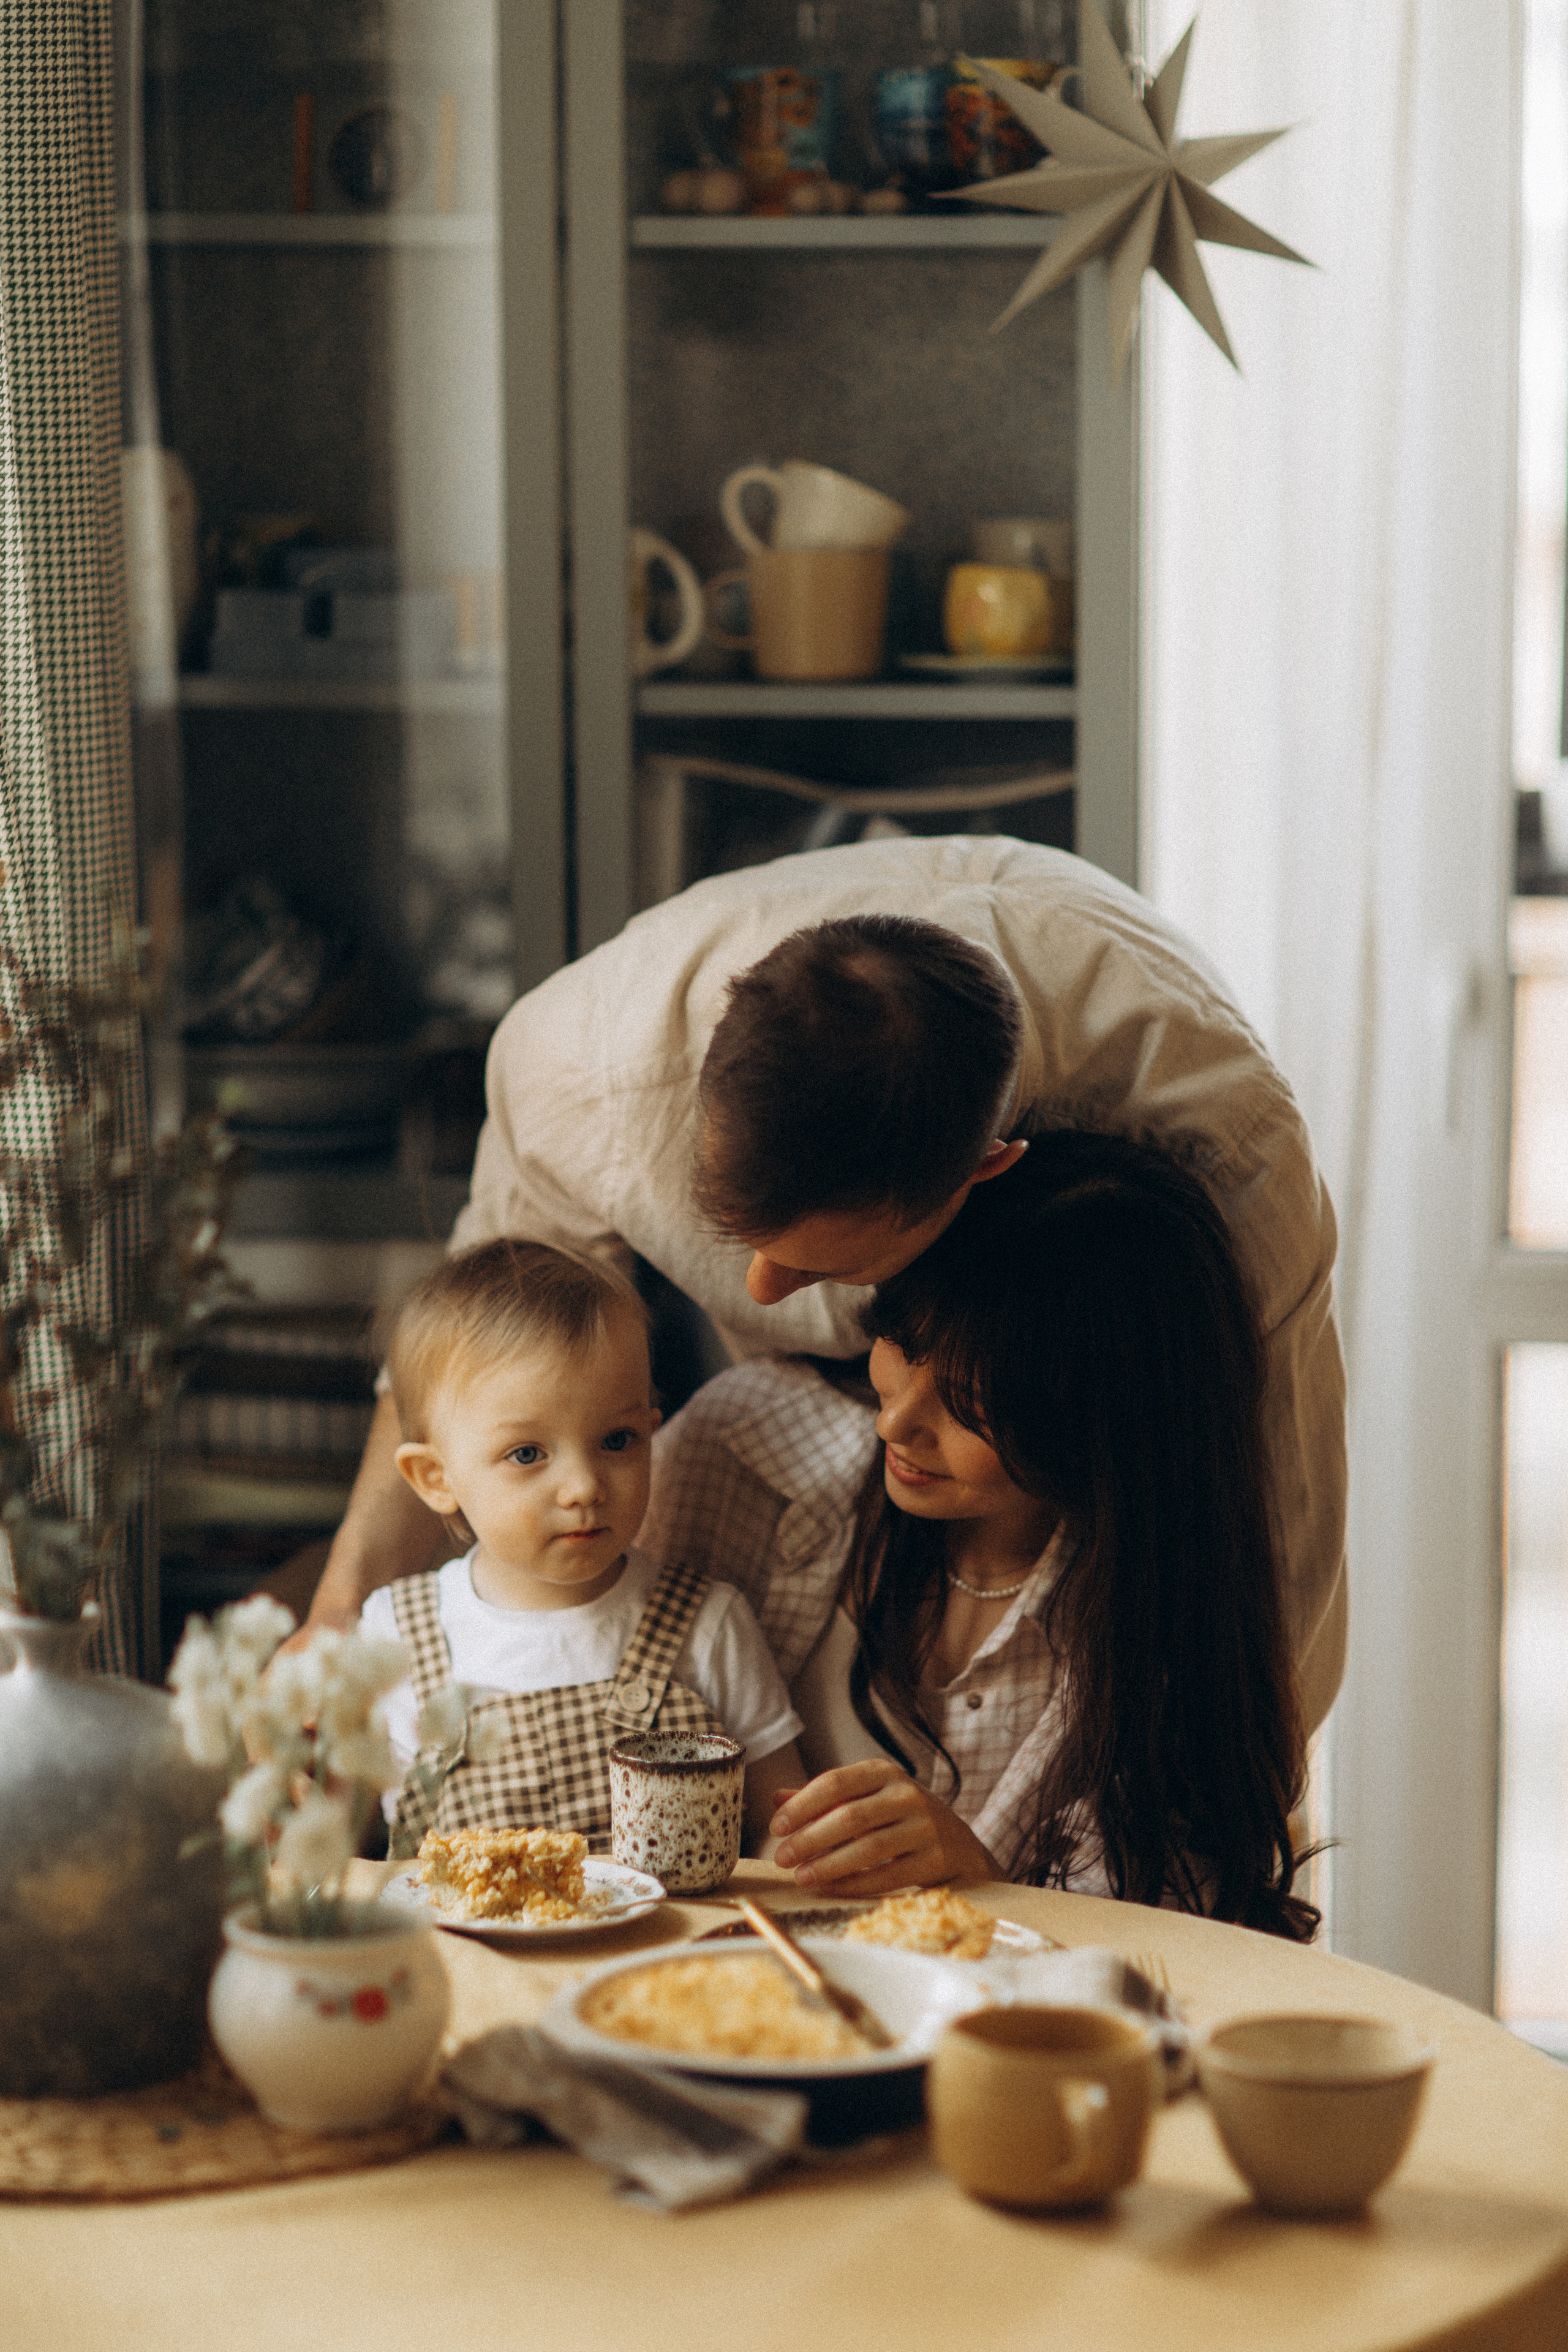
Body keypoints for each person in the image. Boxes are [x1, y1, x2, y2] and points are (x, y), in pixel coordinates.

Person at [301, 835, 1346, 1741]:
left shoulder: (1216, 1135)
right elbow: (470, 1358)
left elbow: (1267, 1526)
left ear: (987, 1168)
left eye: (827, 1267)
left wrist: (1224, 1801)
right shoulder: (575, 1072)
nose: (763, 1291)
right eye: (740, 1238)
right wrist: (340, 1610)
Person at [639, 1129, 1318, 1937]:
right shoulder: (741, 1452)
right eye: (904, 1345)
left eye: (968, 1406)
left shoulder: (1159, 1644)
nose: (896, 1421)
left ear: (1097, 1431)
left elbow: (1170, 1959)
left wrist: (983, 1883)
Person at [359, 1237, 805, 1852]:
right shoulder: (392, 1636)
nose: (584, 1486)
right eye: (527, 1454)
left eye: (617, 1440)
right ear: (436, 1478)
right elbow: (338, 1847)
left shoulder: (708, 1625)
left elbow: (785, 1835)